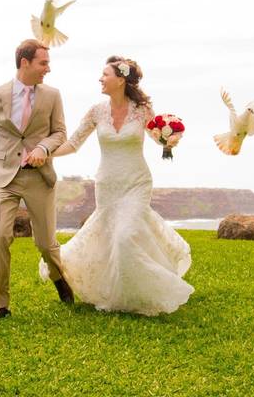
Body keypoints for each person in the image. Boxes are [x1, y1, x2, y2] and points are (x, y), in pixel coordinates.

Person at [45, 56, 193, 315]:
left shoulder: (142, 110)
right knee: (112, 240)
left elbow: (159, 139)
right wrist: (45, 153)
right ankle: (116, 292)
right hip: (107, 185)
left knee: (125, 238)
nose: (100, 79)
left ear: (121, 79)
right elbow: (73, 143)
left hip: (136, 182)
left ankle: (144, 293)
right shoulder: (96, 111)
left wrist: (170, 139)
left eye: (105, 74)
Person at [0, 39, 73, 322]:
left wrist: (43, 148)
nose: (48, 69)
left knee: (46, 244)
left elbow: (60, 132)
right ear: (25, 63)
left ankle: (59, 278)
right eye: (43, 63)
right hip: (5, 178)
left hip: (40, 177)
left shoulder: (52, 95)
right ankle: (1, 306)